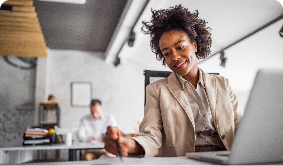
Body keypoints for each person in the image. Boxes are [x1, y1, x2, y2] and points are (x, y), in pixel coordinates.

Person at [104, 5, 241, 157]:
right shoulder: (156, 90)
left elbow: (238, 126)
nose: (174, 57)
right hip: (185, 160)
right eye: (167, 53)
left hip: (227, 158)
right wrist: (130, 144)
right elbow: (151, 134)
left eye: (180, 47)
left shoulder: (222, 84)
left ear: (194, 45)